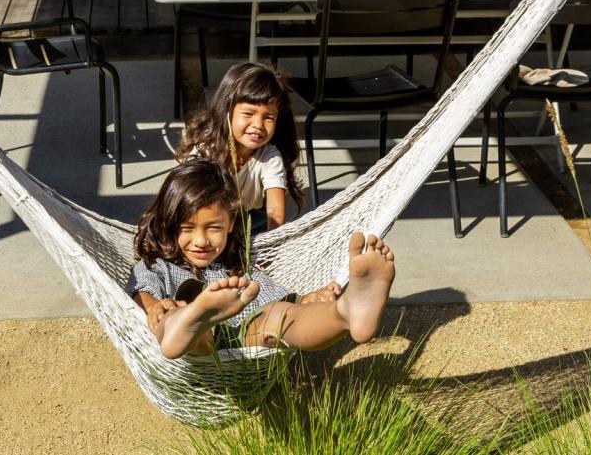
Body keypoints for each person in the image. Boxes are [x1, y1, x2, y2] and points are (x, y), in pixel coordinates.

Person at [126, 160, 395, 359]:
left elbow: (272, 298)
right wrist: (154, 308)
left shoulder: (238, 264)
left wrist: (307, 301)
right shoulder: (159, 264)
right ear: (169, 223)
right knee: (181, 322)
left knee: (279, 317)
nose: (201, 241)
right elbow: (142, 290)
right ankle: (196, 316)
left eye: (214, 228)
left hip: (245, 338)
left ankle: (347, 312)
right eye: (187, 228)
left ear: (231, 223)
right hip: (198, 344)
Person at [176, 62, 303, 231]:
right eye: (248, 114)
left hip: (251, 220)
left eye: (269, 117)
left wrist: (274, 247)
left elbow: (274, 212)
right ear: (227, 111)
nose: (258, 124)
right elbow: (188, 202)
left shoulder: (269, 157)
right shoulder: (205, 150)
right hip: (207, 219)